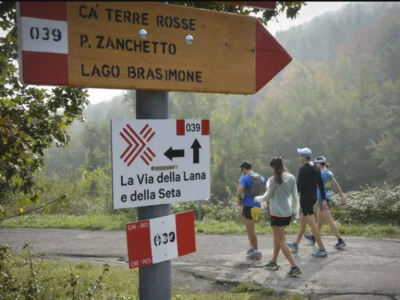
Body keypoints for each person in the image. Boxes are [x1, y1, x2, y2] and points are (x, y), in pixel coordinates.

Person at [255, 157, 301, 277]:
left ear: (273, 167)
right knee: (277, 238)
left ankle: (294, 266)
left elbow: (266, 197)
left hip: (276, 213)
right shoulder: (291, 178)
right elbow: (295, 197)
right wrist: (296, 212)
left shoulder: (272, 180)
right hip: (287, 213)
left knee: (281, 241)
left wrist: (255, 198)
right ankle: (273, 262)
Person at [287, 147, 328, 257]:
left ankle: (322, 248)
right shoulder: (316, 167)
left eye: (301, 155)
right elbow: (321, 184)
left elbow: (299, 187)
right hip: (313, 197)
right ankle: (295, 244)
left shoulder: (303, 169)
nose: (300, 157)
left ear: (305, 157)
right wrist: (323, 199)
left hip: (305, 198)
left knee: (312, 224)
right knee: (303, 222)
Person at [304, 156, 347, 249]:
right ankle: (314, 237)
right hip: (326, 198)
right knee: (319, 220)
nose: (315, 166)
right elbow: (336, 185)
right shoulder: (329, 173)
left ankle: (340, 240)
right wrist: (342, 196)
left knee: (329, 221)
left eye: (316, 164)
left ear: (319, 163)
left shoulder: (321, 173)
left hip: (323, 199)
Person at [237, 161, 266, 260]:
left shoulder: (245, 178)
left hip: (248, 206)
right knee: (251, 229)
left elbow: (239, 191)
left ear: (244, 169)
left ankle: (256, 252)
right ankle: (252, 248)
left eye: (242, 169)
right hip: (257, 205)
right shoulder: (260, 177)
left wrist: (239, 200)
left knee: (251, 230)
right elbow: (266, 190)